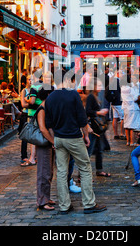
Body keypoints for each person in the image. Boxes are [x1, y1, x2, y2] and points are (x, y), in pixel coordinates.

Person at [45, 71, 107, 215]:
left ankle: (64, 206)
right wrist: (86, 135)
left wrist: (54, 140)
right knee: (85, 168)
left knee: (61, 171)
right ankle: (89, 204)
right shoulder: (73, 94)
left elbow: (49, 124)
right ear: (68, 80)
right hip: (73, 137)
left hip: (59, 138)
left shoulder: (50, 98)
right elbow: (82, 118)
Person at [35, 86, 56, 211]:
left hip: (48, 144)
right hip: (44, 144)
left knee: (48, 172)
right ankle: (42, 201)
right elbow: (43, 129)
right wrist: (52, 141)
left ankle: (46, 197)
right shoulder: (42, 109)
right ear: (48, 95)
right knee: (43, 172)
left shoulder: (46, 108)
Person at [85, 77, 110, 178]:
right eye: (98, 85)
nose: (100, 87)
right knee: (89, 151)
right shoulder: (91, 97)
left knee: (99, 150)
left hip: (98, 128)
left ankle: (99, 170)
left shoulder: (96, 96)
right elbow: (88, 111)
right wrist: (99, 112)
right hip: (93, 128)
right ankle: (83, 174)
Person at [121, 73, 140, 146]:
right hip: (132, 108)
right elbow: (135, 98)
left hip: (125, 107)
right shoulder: (131, 89)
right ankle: (132, 142)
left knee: (127, 125)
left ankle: (128, 141)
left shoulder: (122, 88)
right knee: (132, 126)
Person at [106, 70, 125, 141]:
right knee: (122, 118)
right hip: (119, 102)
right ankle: (122, 134)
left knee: (115, 118)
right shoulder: (118, 81)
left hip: (114, 102)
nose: (123, 75)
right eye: (122, 73)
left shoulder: (112, 81)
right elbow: (120, 92)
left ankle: (116, 134)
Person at [18, 74, 33, 165]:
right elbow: (23, 104)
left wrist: (30, 102)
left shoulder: (35, 90)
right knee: (25, 135)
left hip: (33, 114)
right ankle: (24, 155)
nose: (30, 81)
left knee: (33, 135)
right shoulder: (24, 91)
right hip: (25, 114)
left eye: (32, 79)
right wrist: (32, 104)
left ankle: (33, 155)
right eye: (29, 79)